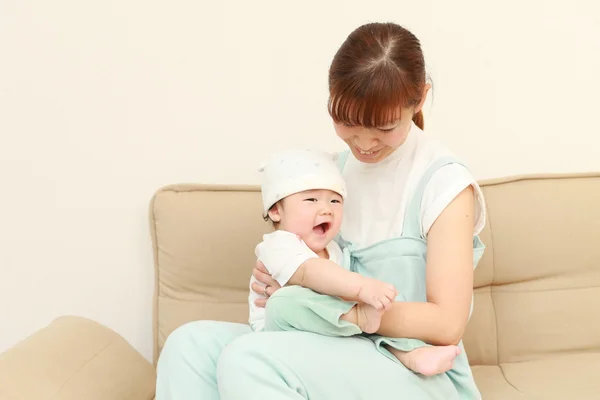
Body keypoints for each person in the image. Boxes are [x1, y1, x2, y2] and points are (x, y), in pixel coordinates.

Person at [156, 21, 486, 399]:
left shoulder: (444, 184)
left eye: (383, 127)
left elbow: (447, 323)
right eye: (346, 123)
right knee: (189, 346)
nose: (364, 142)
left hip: (414, 368)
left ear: (420, 98)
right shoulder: (332, 175)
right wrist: (293, 284)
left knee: (249, 359)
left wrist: (332, 311)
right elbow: (306, 263)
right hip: (337, 348)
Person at [249, 148, 462, 376]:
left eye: (335, 200)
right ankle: (363, 322)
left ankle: (410, 355)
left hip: (329, 334)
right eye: (311, 199)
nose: (326, 209)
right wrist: (361, 288)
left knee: (365, 323)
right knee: (284, 301)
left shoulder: (334, 250)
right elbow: (310, 272)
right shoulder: (279, 244)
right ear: (275, 211)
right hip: (280, 332)